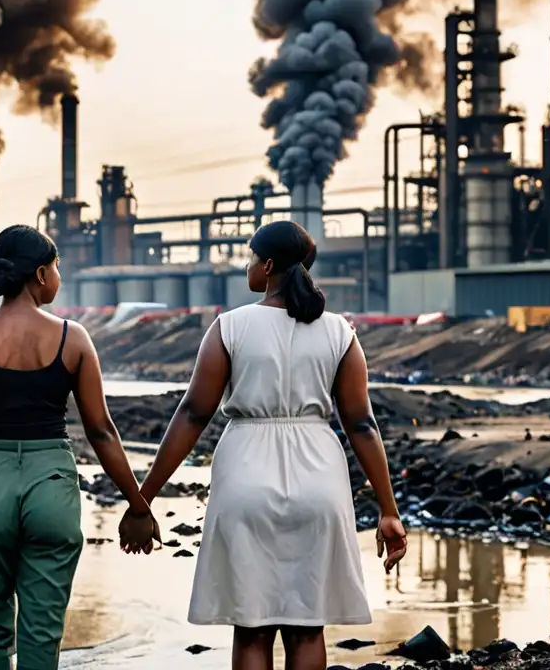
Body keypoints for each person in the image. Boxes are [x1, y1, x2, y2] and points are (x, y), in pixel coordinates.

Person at [120, 220, 407, 670]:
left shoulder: (229, 327)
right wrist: (388, 510)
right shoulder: (339, 332)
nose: (247, 265)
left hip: (245, 477)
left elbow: (193, 414)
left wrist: (143, 500)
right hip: (319, 481)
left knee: (252, 628)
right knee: (308, 626)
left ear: (268, 265)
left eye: (251, 257)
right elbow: (361, 424)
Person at [0, 224, 161, 670]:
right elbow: (102, 432)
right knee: (41, 632)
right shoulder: (73, 338)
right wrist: (138, 505)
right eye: (57, 268)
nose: (58, 277)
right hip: (52, 486)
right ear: (41, 275)